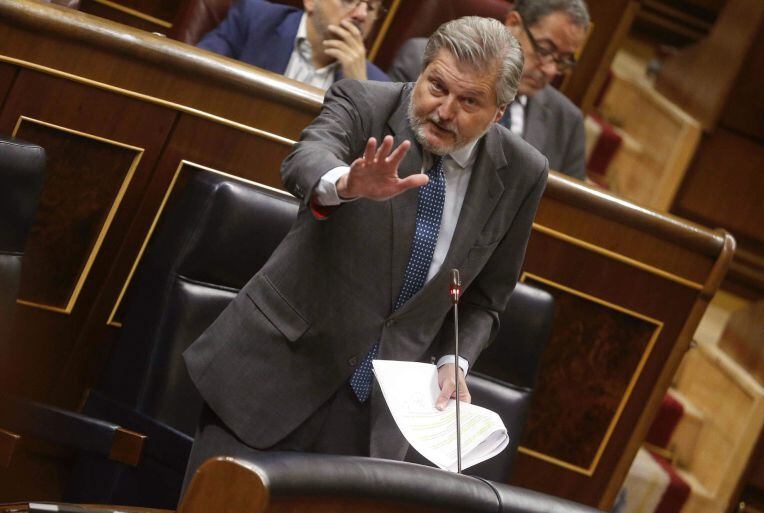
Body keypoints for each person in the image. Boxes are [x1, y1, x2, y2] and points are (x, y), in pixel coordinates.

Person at [181, 16, 548, 488]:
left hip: (376, 420)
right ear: (422, 70)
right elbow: (305, 159)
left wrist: (453, 361)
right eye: (436, 86)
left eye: (470, 101)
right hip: (275, 377)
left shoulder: (522, 171)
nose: (444, 110)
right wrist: (346, 183)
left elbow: (486, 298)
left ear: (498, 112)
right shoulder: (365, 102)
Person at [389, 0, 590, 180]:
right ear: (513, 23)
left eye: (563, 60)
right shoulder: (424, 64)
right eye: (544, 50)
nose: (550, 70)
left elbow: (568, 211)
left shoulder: (567, 121)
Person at [197, 0, 389, 89]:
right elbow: (196, 72)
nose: (361, 14)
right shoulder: (254, 21)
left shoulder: (377, 85)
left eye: (371, 8)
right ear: (311, 2)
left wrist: (358, 89)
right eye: (349, 0)